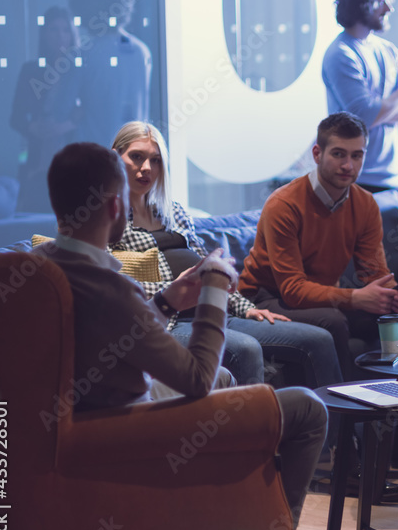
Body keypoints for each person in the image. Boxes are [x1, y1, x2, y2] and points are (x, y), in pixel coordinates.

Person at [36, 142, 337, 530]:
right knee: (307, 409)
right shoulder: (111, 287)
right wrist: (215, 287)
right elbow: (192, 379)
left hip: (69, 420)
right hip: (116, 434)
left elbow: (102, 339)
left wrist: (164, 303)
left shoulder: (36, 271)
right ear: (116, 206)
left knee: (223, 379)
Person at [238, 111, 398, 483]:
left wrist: (393, 296)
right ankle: (347, 455)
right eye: (339, 154)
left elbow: (375, 275)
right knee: (333, 321)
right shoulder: (284, 204)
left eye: (357, 155)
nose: (349, 164)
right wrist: (356, 298)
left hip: (316, 297)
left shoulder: (365, 205)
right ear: (317, 153)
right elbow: (291, 289)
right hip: (265, 299)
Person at [109, 121, 343, 391]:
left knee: (319, 339)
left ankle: (339, 434)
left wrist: (247, 308)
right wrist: (175, 290)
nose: (147, 168)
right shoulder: (106, 216)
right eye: (137, 157)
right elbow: (113, 284)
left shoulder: (173, 212)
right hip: (169, 322)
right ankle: (249, 432)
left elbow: (210, 270)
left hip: (214, 310)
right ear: (116, 157)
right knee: (245, 348)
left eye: (156, 160)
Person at [321, 0, 398, 192]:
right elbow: (363, 117)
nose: (389, 8)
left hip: (391, 178)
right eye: (381, 1)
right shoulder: (341, 54)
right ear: (361, 4)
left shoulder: (388, 50)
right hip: (354, 180)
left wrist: (381, 110)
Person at [64, 0, 152, 147]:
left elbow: (61, 112)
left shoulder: (84, 53)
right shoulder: (141, 51)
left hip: (93, 156)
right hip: (132, 153)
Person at [9, 6, 81, 212]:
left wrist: (64, 127)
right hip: (36, 157)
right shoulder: (31, 70)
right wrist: (34, 128)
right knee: (36, 212)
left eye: (65, 30)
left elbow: (88, 112)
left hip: (71, 156)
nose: (60, 36)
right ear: (44, 33)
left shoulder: (80, 70)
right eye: (54, 29)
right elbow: (15, 116)